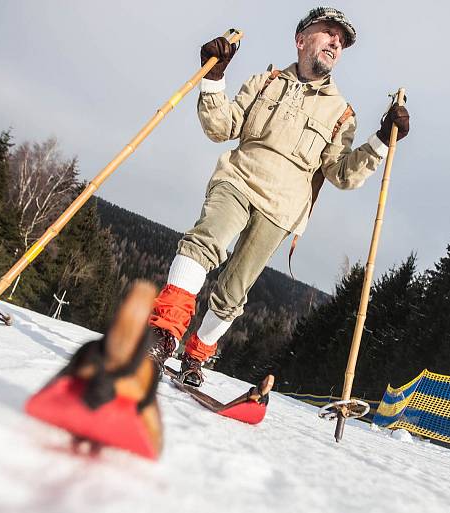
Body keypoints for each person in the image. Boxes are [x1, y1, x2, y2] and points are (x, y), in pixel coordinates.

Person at [148, 7, 410, 387]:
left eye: (342, 40)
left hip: (282, 209)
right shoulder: (264, 82)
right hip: (238, 180)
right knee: (205, 242)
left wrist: (383, 141)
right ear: (301, 39)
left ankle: (197, 354)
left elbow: (342, 174)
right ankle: (162, 335)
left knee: (233, 290)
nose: (336, 42)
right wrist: (215, 76)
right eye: (328, 32)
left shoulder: (342, 114)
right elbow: (221, 127)